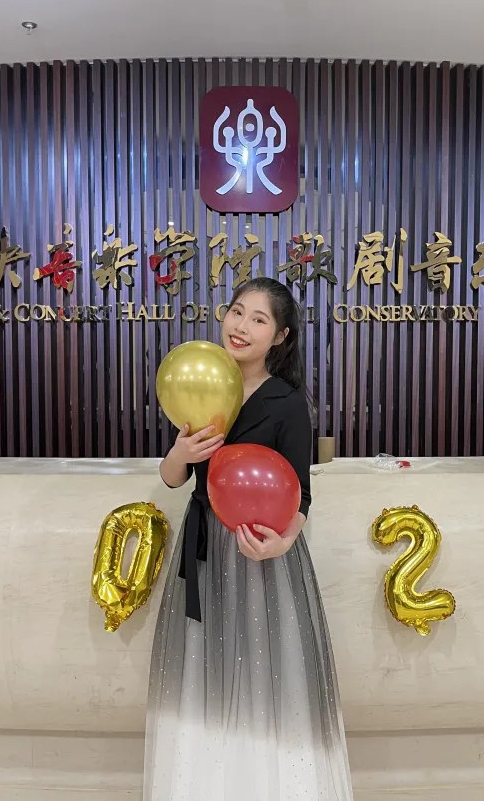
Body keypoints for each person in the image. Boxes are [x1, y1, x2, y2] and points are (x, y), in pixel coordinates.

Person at [144, 277, 354, 800]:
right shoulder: (201, 383)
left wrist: (282, 543)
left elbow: (302, 495)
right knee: (204, 671)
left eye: (258, 319)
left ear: (280, 336)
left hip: (262, 553)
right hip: (204, 549)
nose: (240, 326)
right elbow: (172, 479)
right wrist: (180, 454)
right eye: (236, 312)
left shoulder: (287, 403)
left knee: (264, 673)